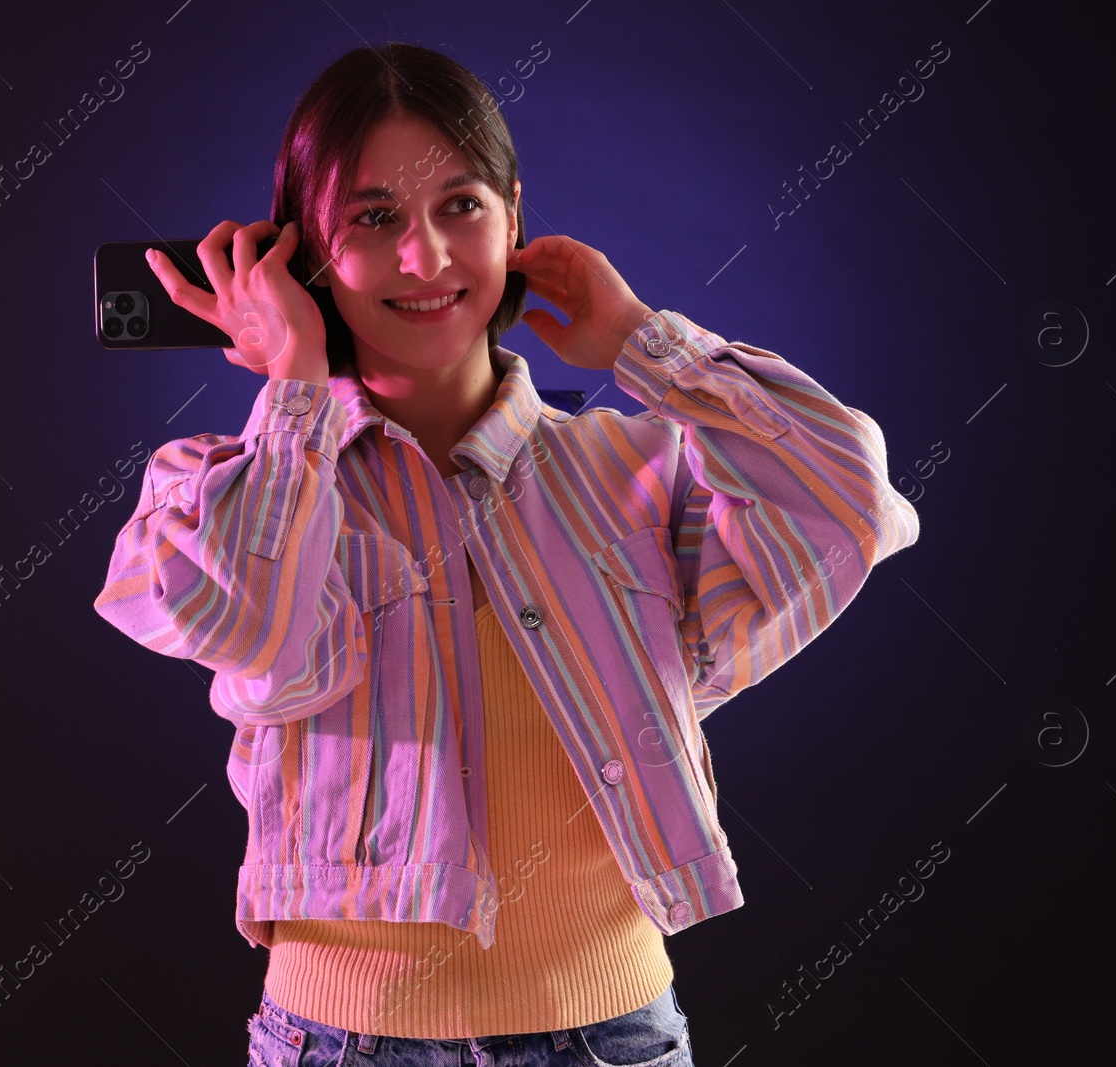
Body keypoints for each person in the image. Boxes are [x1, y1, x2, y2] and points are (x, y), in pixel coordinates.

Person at [92, 40, 920, 1066]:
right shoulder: (217, 487)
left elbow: (852, 500)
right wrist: (297, 389)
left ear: (513, 214)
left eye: (460, 206)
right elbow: (246, 624)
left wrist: (641, 344)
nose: (425, 258)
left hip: (611, 1037)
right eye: (372, 217)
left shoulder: (635, 462)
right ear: (304, 252)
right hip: (339, 1041)